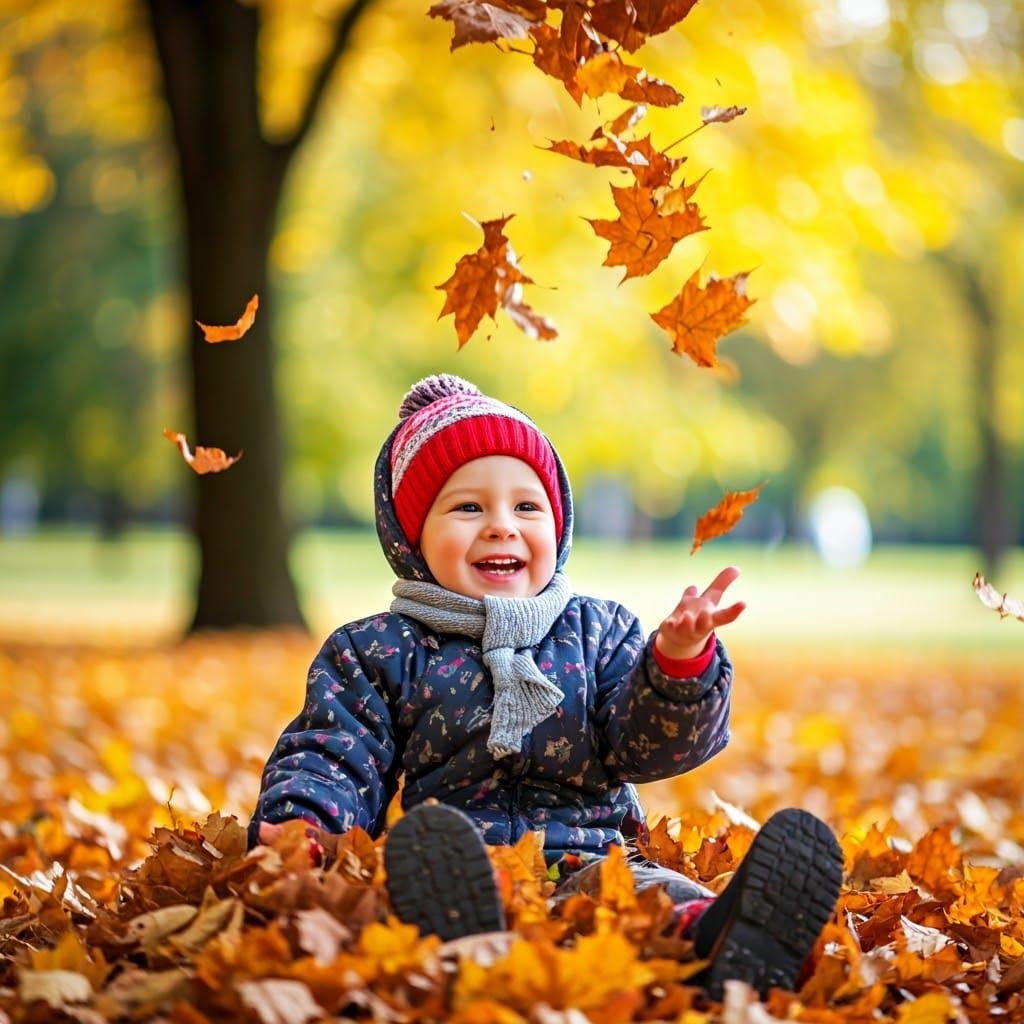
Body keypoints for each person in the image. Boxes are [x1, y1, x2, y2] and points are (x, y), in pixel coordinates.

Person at [250, 373, 843, 999]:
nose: (502, 526)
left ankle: (722, 940)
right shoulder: (378, 649)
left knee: (645, 898)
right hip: (458, 864)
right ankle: (462, 943)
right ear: (413, 536)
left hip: (589, 858)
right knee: (400, 890)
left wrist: (676, 664)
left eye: (526, 507)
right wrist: (304, 828)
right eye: (468, 507)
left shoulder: (599, 633)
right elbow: (333, 753)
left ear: (556, 527)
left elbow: (647, 747)